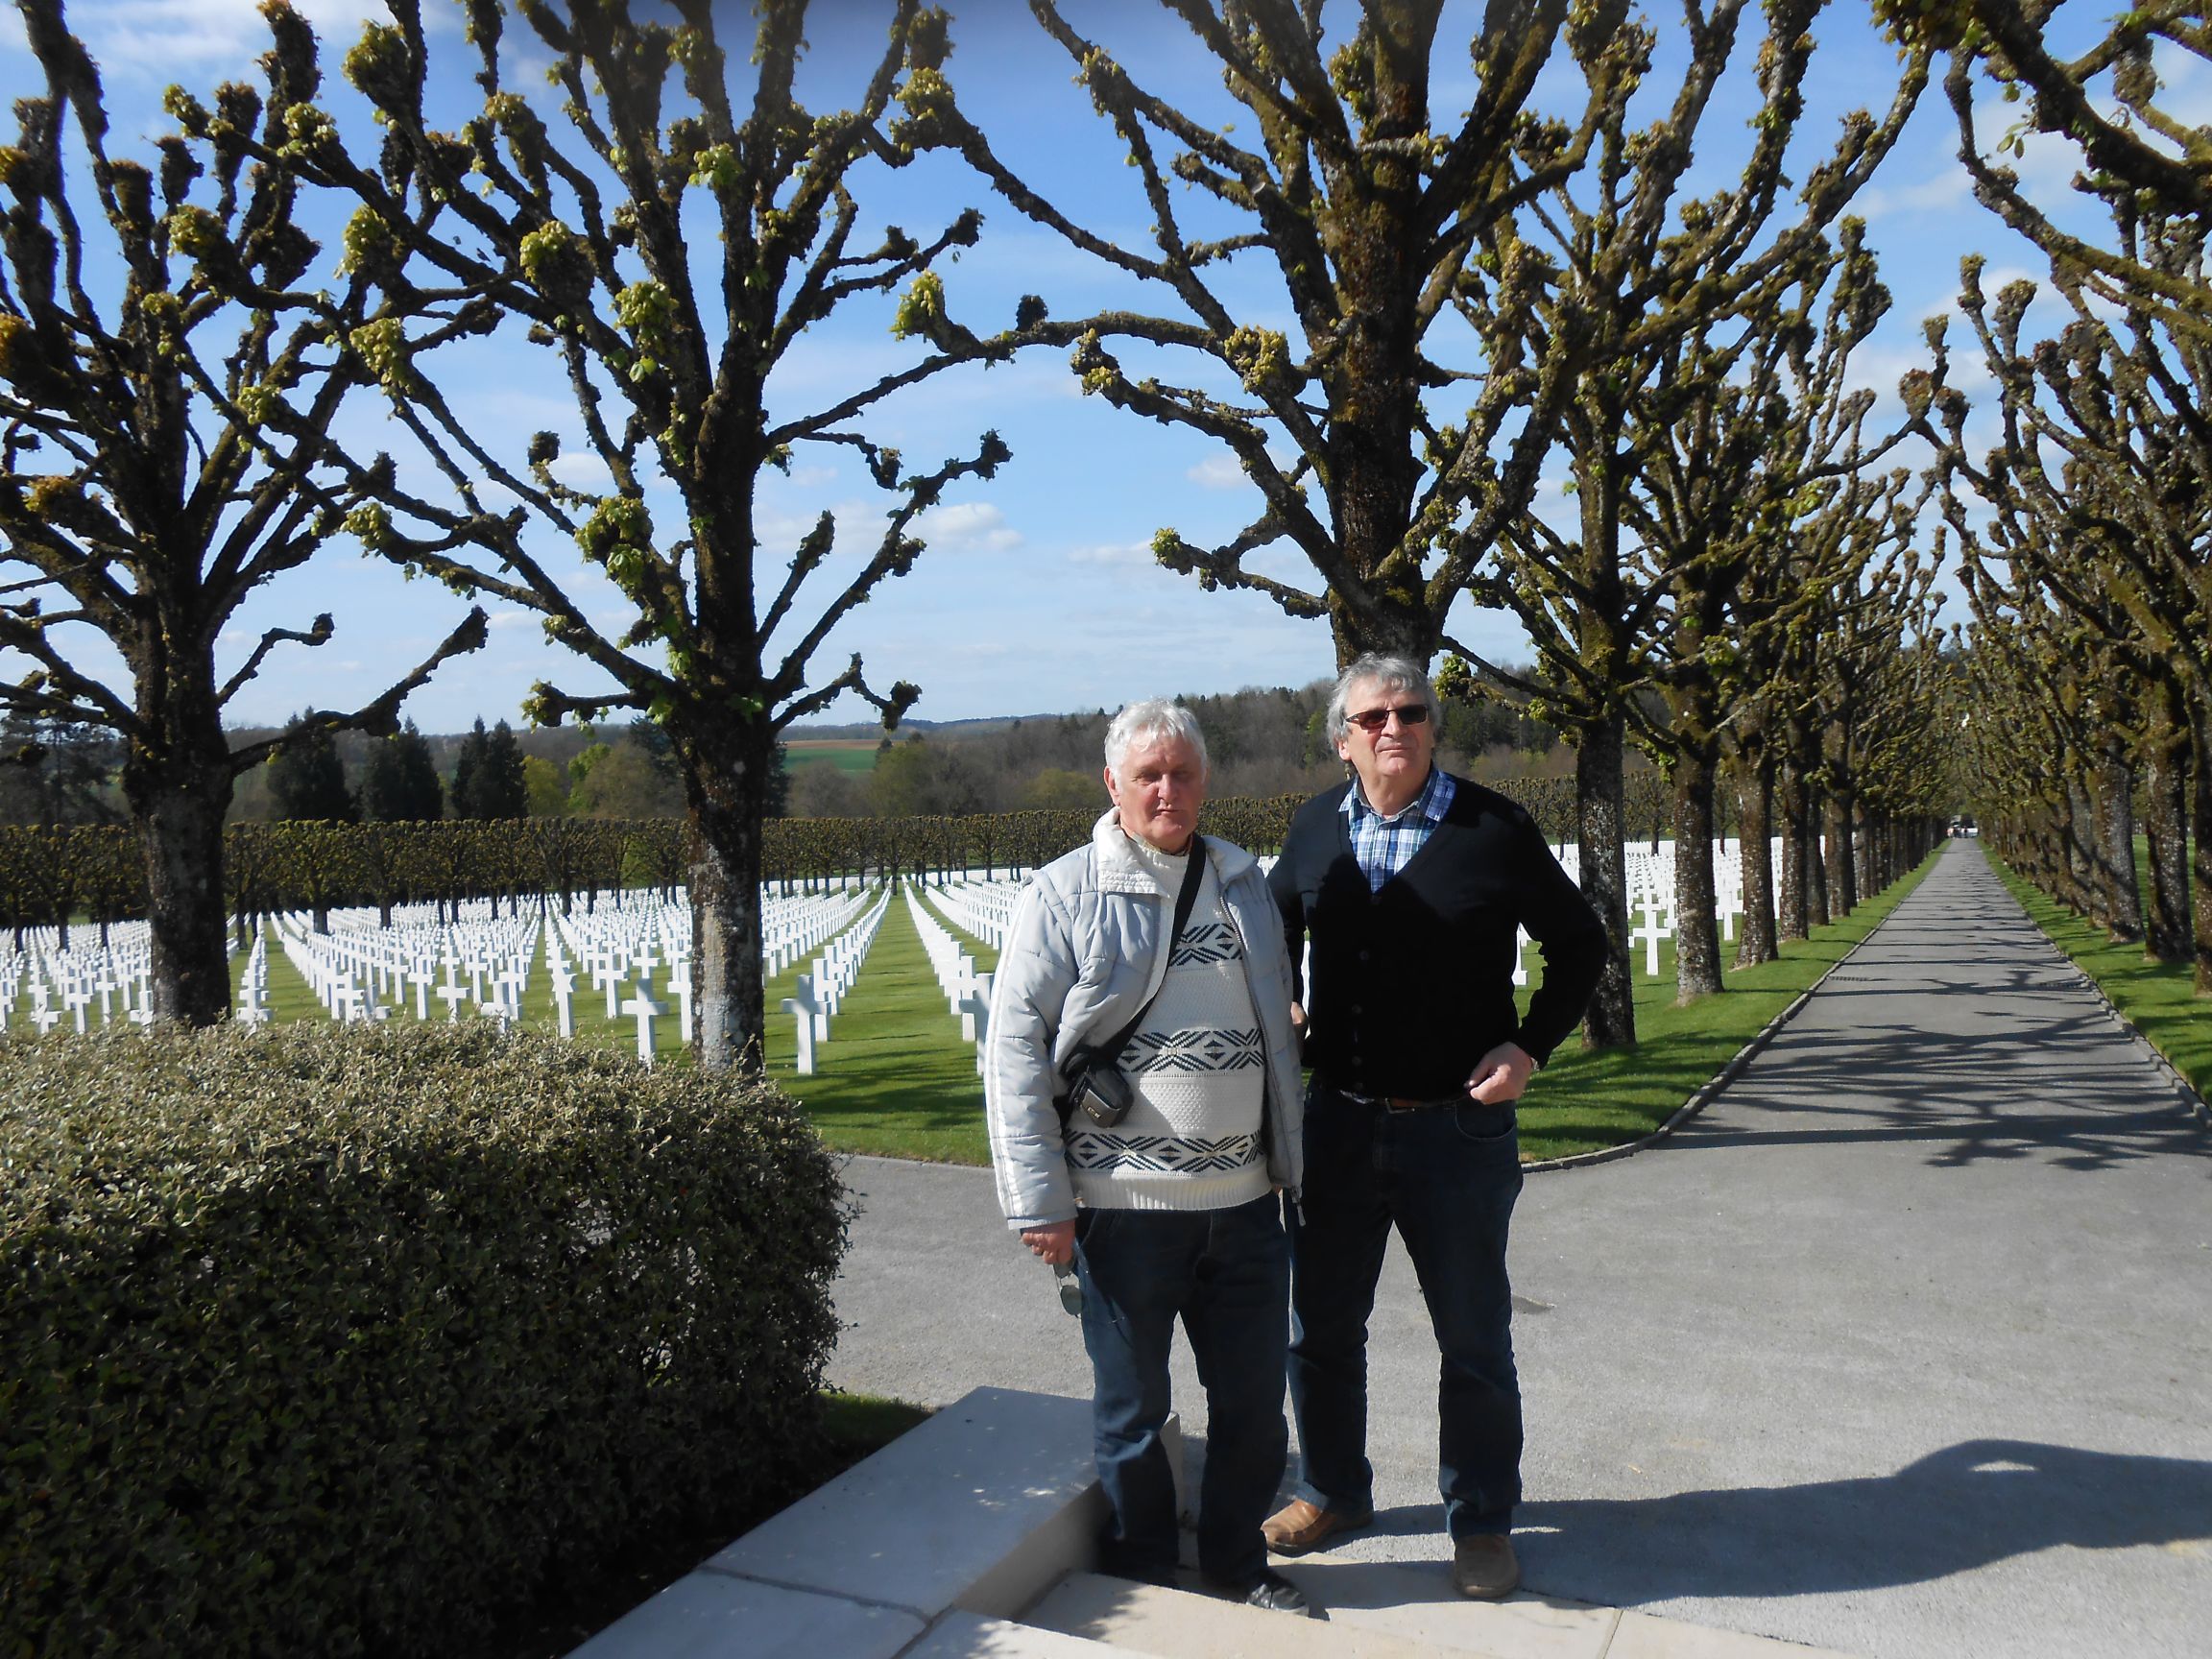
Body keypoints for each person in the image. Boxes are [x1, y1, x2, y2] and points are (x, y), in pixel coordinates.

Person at [1262, 654, 1605, 1599]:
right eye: (1373, 717)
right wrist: (1282, 997)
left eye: (1410, 712)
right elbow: (1271, 921)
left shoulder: (1493, 828)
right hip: (1337, 1124)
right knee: (1320, 1328)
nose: (1394, 728)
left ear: (1431, 727)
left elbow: (1580, 942)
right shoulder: (1314, 828)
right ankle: (1331, 1491)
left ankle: (1482, 1521)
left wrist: (1530, 1048)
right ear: (1342, 739)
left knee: (1473, 1338)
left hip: (1456, 1132)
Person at [985, 699, 1310, 1616]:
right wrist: (1040, 1202)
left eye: (1184, 773)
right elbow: (1014, 1052)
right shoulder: (1064, 893)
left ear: (1205, 781)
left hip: (1244, 1204)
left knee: (1253, 1408)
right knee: (1133, 1412)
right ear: (1113, 784)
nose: (1169, 790)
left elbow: (1273, 1020)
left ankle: (1236, 1563)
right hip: (1122, 1210)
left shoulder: (1242, 880)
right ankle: (1145, 1573)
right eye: (1149, 775)